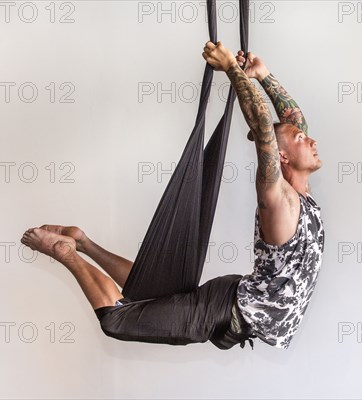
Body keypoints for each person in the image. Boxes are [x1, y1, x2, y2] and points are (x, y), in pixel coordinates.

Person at [21, 42, 324, 350]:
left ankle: (83, 240)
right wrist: (232, 68)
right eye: (301, 139)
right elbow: (264, 129)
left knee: (153, 291)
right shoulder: (279, 198)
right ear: (282, 157)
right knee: (116, 320)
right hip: (225, 312)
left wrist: (264, 75)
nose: (310, 139)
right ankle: (67, 251)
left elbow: (294, 122)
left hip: (237, 301)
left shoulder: (302, 194)